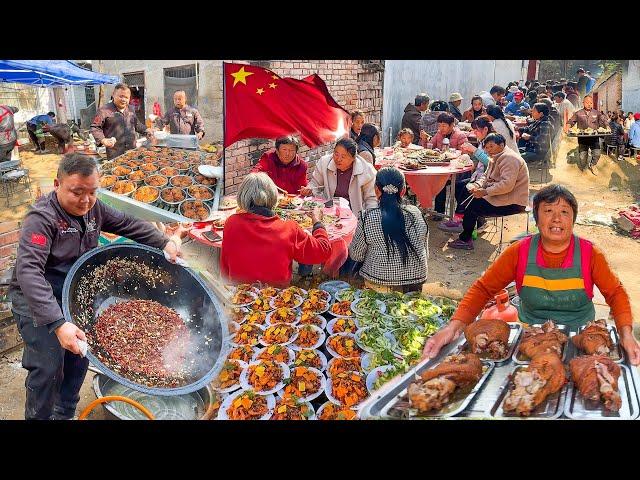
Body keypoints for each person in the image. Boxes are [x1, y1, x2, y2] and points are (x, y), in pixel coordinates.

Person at [8, 154, 181, 420]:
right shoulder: (42, 218)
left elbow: (127, 223)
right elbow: (29, 271)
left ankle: (64, 412)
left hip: (73, 294)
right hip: (36, 298)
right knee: (49, 364)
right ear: (57, 184)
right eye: (77, 192)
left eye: (92, 192)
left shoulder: (94, 209)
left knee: (81, 355)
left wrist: (164, 242)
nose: (86, 200)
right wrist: (58, 323)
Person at [423, 184, 640, 365]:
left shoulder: (589, 253)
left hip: (581, 339)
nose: (557, 219)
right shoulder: (520, 251)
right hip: (531, 339)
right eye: (548, 211)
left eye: (564, 212)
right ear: (537, 219)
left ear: (573, 220)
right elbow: (483, 289)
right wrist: (453, 328)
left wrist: (626, 334)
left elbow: (615, 293)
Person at [220, 173, 330, 286]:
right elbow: (323, 250)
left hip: (238, 296)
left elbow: (225, 264)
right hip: (276, 298)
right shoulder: (288, 229)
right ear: (273, 197)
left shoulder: (231, 223)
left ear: (243, 196)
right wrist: (317, 222)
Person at [348, 166, 428, 293]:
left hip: (379, 279)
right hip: (416, 280)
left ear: (376, 190)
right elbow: (424, 250)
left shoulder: (367, 217)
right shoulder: (416, 214)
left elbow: (356, 255)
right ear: (403, 191)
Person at [447, 133, 529, 251]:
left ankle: (466, 239)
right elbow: (485, 177)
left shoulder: (510, 158)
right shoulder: (496, 156)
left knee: (473, 204)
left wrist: (485, 192)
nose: (488, 150)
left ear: (501, 145)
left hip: (513, 202)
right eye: (486, 147)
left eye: (491, 146)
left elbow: (507, 185)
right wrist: (476, 185)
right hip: (500, 197)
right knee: (465, 189)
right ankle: (468, 223)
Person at [440, 115, 495, 233]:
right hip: (479, 176)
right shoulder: (483, 141)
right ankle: (465, 218)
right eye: (473, 130)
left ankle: (462, 220)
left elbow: (490, 163)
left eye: (476, 130)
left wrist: (474, 150)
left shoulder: (492, 142)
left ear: (485, 129)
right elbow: (478, 161)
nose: (474, 133)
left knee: (466, 189)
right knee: (459, 185)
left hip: (489, 179)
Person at [300, 137, 377, 216]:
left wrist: (368, 218)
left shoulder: (367, 170)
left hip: (355, 214)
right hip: (328, 212)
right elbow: (315, 183)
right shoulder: (324, 163)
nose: (338, 159)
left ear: (353, 158)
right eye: (336, 154)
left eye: (343, 156)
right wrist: (309, 189)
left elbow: (371, 199)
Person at [90, 83, 153, 160]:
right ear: (113, 95)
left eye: (126, 97)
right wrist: (103, 140)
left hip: (132, 151)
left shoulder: (131, 109)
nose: (123, 99)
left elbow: (137, 125)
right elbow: (95, 127)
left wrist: (146, 130)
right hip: (115, 154)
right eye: (121, 96)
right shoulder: (104, 110)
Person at [430, 112, 469, 219]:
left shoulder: (460, 135)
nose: (441, 128)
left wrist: (453, 154)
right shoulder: (439, 134)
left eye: (444, 126)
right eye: (439, 125)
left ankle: (461, 213)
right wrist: (425, 140)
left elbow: (465, 152)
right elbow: (430, 146)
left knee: (458, 189)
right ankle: (439, 212)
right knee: (439, 185)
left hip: (456, 170)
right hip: (442, 168)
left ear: (452, 125)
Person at [567, 95, 609, 172]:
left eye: (591, 103)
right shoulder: (578, 113)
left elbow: (604, 120)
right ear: (583, 103)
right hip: (583, 139)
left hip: (594, 138)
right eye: (587, 102)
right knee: (583, 157)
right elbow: (571, 121)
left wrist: (607, 125)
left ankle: (592, 165)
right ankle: (584, 166)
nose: (589, 104)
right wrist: (568, 126)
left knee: (597, 154)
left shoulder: (597, 113)